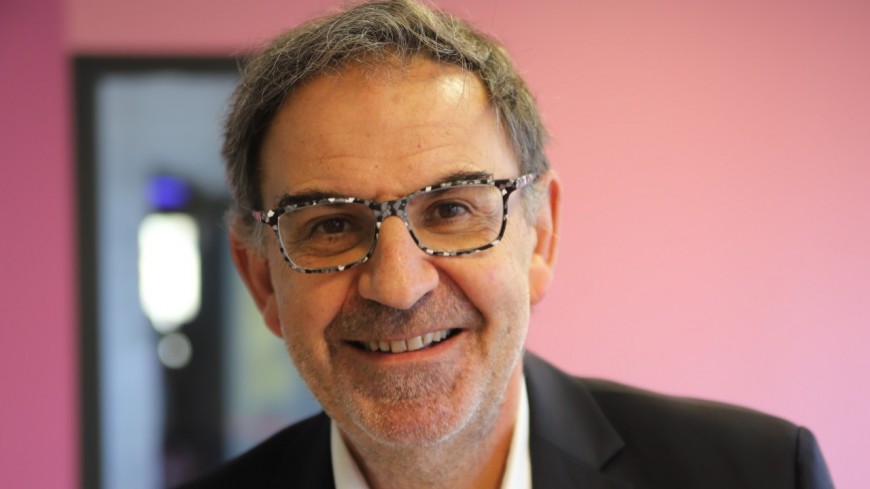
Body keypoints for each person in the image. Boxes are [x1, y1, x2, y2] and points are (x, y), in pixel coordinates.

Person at [179, 0, 834, 487]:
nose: (398, 286)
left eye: (451, 209)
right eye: (330, 225)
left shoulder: (761, 473)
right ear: (260, 277)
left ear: (540, 235)